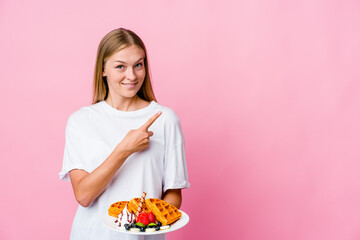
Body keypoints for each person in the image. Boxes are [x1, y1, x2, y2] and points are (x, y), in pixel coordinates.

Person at [59, 28, 190, 240]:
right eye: (120, 66)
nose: (132, 75)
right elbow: (83, 196)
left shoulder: (165, 119)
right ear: (103, 69)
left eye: (138, 65)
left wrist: (147, 224)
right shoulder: (81, 121)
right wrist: (124, 149)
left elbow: (173, 193)